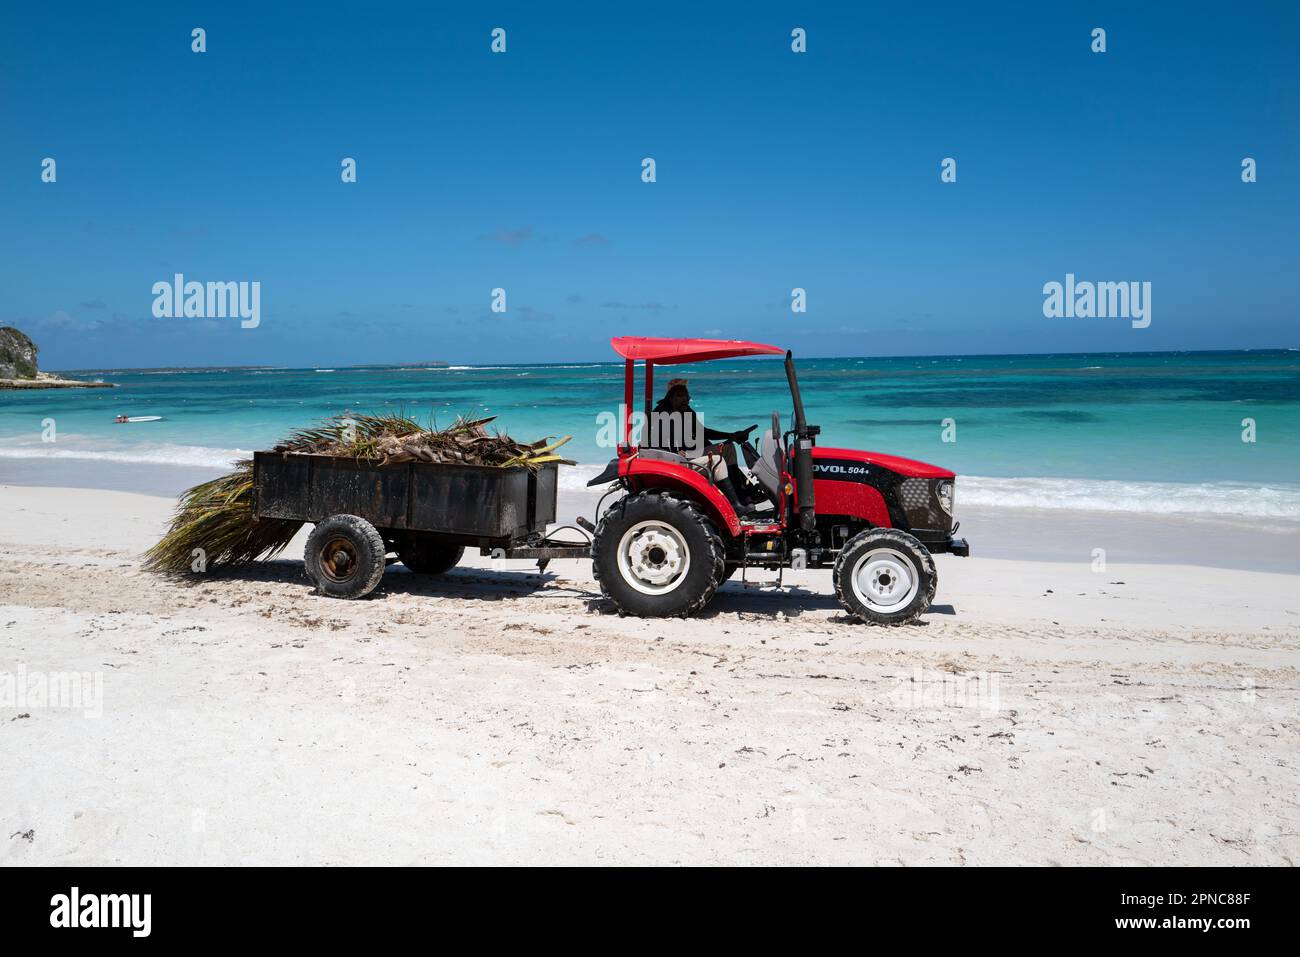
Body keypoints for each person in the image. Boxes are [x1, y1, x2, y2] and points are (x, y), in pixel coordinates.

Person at [646, 378, 758, 516]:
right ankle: (734, 506)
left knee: (728, 448)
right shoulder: (661, 414)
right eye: (681, 396)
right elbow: (653, 443)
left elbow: (703, 432)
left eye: (687, 396)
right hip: (673, 461)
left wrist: (730, 435)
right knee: (717, 460)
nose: (686, 400)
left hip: (688, 454)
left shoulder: (686, 411)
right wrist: (673, 452)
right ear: (671, 397)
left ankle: (742, 495)